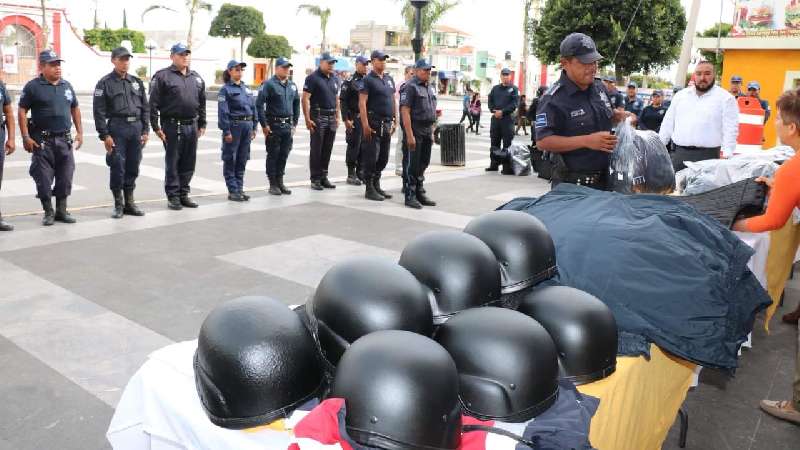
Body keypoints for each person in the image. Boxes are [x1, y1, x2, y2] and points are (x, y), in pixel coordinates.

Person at [731, 88, 800, 426]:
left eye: (780, 121)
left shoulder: (793, 168)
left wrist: (733, 222)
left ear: (791, 128)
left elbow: (772, 221)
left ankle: (798, 404)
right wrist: (780, 189)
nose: (776, 127)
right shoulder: (790, 170)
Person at [534, 33, 626, 191]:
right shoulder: (553, 99)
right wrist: (586, 141)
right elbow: (543, 141)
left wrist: (619, 117)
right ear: (565, 63)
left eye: (594, 61)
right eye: (585, 62)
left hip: (607, 182)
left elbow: (608, 115)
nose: (592, 67)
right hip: (572, 186)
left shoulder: (599, 88)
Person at [18, 50, 83, 226]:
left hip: (65, 140)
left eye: (58, 64)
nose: (57, 68)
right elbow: (22, 110)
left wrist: (80, 131)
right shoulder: (33, 87)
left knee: (66, 176)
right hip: (42, 142)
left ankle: (61, 210)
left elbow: (75, 108)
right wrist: (25, 136)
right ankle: (48, 211)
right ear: (43, 66)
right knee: (43, 178)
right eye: (53, 64)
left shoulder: (67, 86)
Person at [149, 43, 207, 210]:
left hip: (192, 125)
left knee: (189, 162)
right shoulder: (162, 76)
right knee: (173, 161)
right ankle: (173, 196)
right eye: (181, 54)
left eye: (187, 54)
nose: (185, 57)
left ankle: (183, 194)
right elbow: (152, 104)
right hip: (172, 126)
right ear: (172, 56)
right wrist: (156, 127)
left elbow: (201, 102)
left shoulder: (196, 77)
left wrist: (202, 123)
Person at [93, 47, 149, 219]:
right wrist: (105, 135)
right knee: (118, 166)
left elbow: (145, 107)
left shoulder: (136, 82)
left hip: (136, 128)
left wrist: (146, 129)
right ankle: (118, 204)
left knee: (133, 165)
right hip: (118, 128)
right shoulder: (104, 83)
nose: (125, 62)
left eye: (127, 59)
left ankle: (130, 203)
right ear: (113, 60)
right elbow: (99, 111)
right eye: (122, 59)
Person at [659, 61, 739, 172]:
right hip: (679, 155)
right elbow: (667, 124)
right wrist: (658, 148)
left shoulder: (726, 98)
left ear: (714, 75)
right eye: (699, 73)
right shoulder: (680, 96)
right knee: (676, 188)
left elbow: (730, 129)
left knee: (706, 190)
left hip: (709, 158)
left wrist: (727, 155)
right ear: (694, 75)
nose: (702, 77)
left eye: (707, 73)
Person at [257, 57, 300, 196]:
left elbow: (296, 104)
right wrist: (264, 125)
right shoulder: (269, 84)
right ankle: (273, 184)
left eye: (288, 68)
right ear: (277, 68)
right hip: (274, 125)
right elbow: (259, 105)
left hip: (287, 126)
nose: (287, 70)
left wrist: (294, 124)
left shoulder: (292, 85)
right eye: (284, 67)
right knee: (273, 155)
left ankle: (280, 181)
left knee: (284, 154)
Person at [358, 50, 397, 201]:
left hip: (387, 123)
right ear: (373, 61)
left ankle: (377, 184)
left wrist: (395, 119)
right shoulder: (368, 80)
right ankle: (369, 188)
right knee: (371, 157)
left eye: (384, 60)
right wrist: (365, 124)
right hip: (374, 123)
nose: (383, 62)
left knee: (383, 157)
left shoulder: (389, 79)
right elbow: (362, 103)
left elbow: (393, 100)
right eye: (380, 59)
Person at [400, 59, 437, 210]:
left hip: (427, 129)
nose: (427, 73)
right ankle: (410, 194)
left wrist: (432, 131)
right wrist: (409, 135)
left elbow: (432, 110)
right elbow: (405, 111)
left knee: (424, 162)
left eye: (429, 71)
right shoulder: (410, 86)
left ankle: (419, 191)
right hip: (415, 128)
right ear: (416, 70)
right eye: (424, 70)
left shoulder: (429, 87)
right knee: (412, 164)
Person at [218, 60, 256, 202]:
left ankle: (239, 188)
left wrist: (254, 126)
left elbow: (254, 108)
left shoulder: (246, 88)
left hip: (247, 125)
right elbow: (223, 112)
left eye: (241, 69)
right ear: (230, 71)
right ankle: (233, 190)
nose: (239, 72)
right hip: (234, 127)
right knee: (230, 158)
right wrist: (226, 130)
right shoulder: (225, 90)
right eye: (236, 69)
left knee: (242, 159)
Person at [302, 52, 341, 191]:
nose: (331, 65)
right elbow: (305, 98)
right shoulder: (312, 78)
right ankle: (315, 178)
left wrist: (337, 116)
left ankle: (324, 176)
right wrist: (307, 119)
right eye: (329, 63)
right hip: (318, 116)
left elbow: (337, 99)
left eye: (333, 63)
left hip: (331, 117)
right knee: (317, 149)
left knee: (327, 148)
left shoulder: (335, 78)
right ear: (321, 62)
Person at [340, 55, 369, 186]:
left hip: (365, 118)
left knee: (364, 146)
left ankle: (360, 172)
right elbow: (343, 101)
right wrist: (346, 119)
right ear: (357, 64)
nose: (366, 67)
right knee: (354, 146)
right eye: (363, 64)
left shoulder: (368, 80)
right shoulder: (350, 81)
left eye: (367, 64)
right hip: (354, 118)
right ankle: (351, 174)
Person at [487, 68, 519, 171]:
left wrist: (503, 112)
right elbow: (490, 100)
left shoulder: (514, 89)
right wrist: (493, 110)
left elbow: (514, 104)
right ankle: (494, 165)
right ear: (500, 76)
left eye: (507, 75)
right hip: (496, 119)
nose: (505, 76)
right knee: (494, 142)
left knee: (507, 144)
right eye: (503, 75)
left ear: (510, 76)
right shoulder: (495, 88)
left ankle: (507, 167)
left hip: (507, 119)